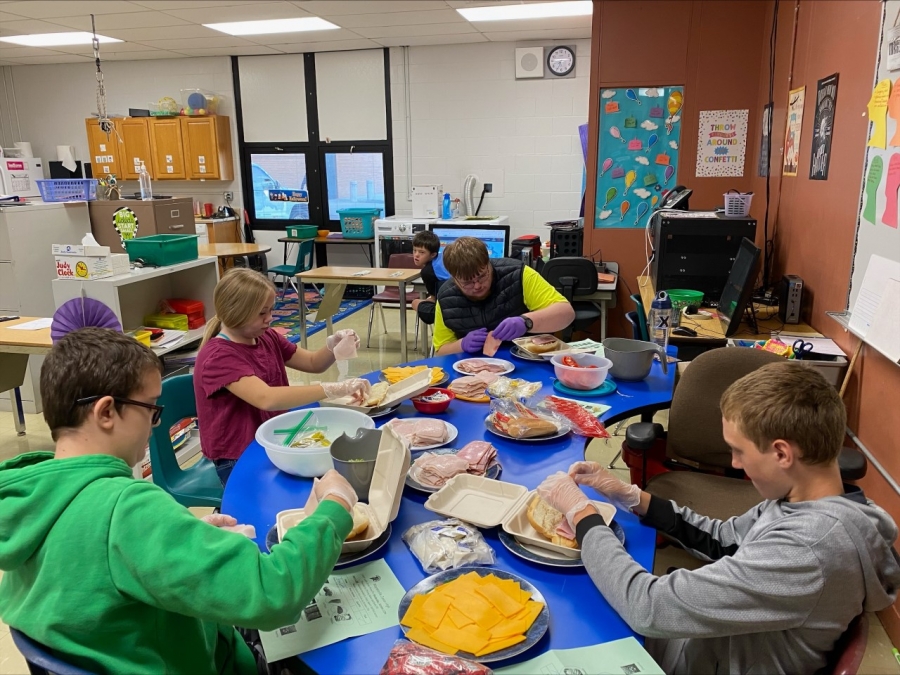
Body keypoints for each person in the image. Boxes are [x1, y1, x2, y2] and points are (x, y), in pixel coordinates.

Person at [0, 327, 359, 674]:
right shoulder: (128, 511)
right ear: (106, 412)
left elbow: (95, 566)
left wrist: (182, 538)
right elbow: (275, 593)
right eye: (151, 409)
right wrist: (334, 507)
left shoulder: (34, 496)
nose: (155, 424)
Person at [537, 362, 900, 675]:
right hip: (715, 647)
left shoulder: (809, 550)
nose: (735, 464)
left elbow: (648, 607)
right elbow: (723, 539)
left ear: (781, 453)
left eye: (739, 451)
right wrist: (633, 497)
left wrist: (583, 515)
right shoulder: (803, 500)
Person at [194, 268, 371, 485]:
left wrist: (332, 346)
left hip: (274, 440)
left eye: (271, 310)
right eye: (262, 313)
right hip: (237, 456)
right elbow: (266, 398)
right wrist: (333, 388)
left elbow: (313, 363)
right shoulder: (218, 356)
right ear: (235, 312)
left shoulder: (265, 336)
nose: (270, 318)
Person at [432, 237, 575, 355]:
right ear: (454, 278)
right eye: (467, 282)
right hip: (474, 368)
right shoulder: (446, 297)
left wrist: (526, 322)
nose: (477, 286)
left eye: (482, 276)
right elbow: (441, 351)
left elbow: (566, 313)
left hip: (526, 361)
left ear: (488, 263)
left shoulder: (518, 274)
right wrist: (461, 345)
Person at [411, 230, 444, 326]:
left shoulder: (427, 272)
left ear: (433, 254)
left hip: (447, 307)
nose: (416, 255)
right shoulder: (441, 257)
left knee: (415, 302)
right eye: (414, 250)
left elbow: (434, 298)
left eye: (421, 252)